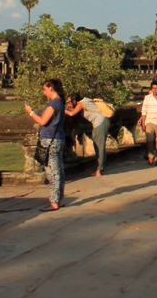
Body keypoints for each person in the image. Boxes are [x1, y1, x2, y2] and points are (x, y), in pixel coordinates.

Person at [25, 78, 66, 211]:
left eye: (44, 89)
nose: (44, 92)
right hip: (58, 138)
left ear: (50, 88)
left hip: (50, 139)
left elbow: (43, 121)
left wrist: (31, 113)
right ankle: (59, 199)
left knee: (53, 172)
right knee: (59, 170)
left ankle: (54, 201)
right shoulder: (60, 102)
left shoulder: (53, 103)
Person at [65, 93, 113, 176]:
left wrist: (62, 109)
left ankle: (99, 170)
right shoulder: (85, 101)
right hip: (102, 121)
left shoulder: (81, 103)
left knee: (99, 146)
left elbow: (72, 114)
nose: (69, 104)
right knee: (98, 145)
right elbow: (74, 110)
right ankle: (100, 169)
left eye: (69, 102)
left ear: (74, 100)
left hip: (100, 122)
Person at [139, 80, 157, 165]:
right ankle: (151, 155)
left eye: (156, 88)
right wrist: (143, 123)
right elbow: (144, 111)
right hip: (149, 121)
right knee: (149, 139)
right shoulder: (147, 98)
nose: (155, 90)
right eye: (153, 88)